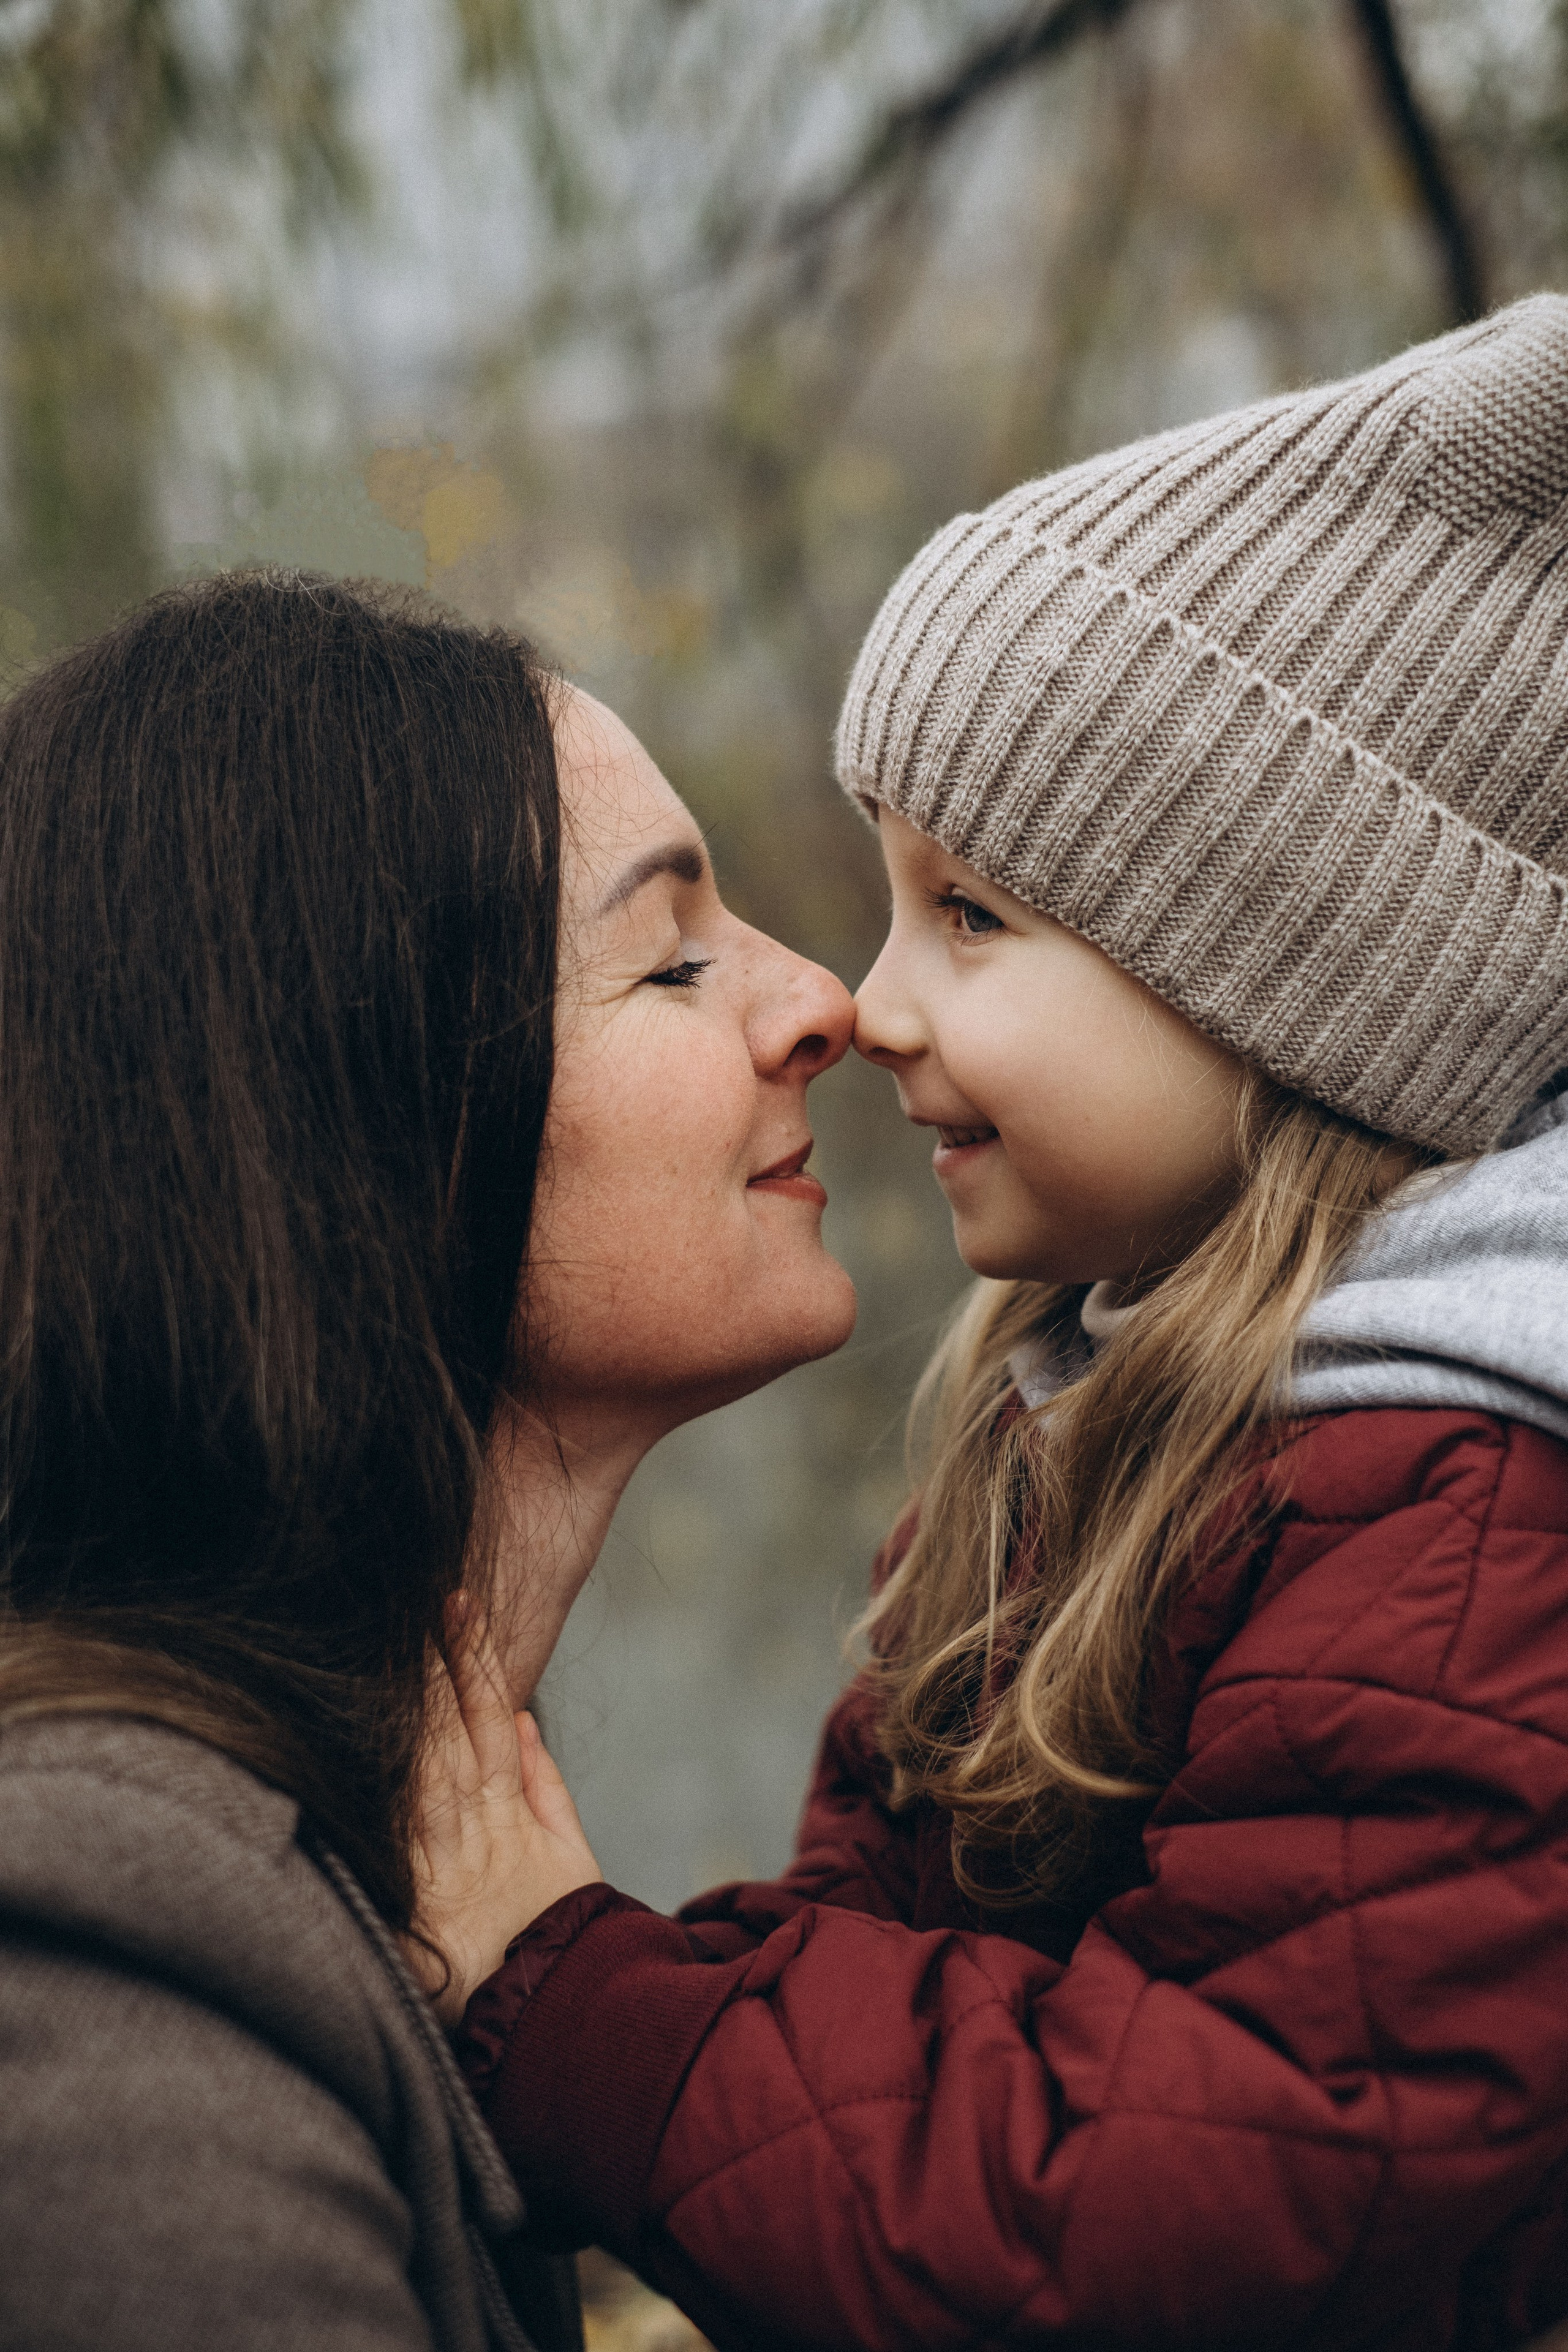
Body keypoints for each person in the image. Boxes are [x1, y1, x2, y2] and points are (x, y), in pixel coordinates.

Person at [420, 295, 1568, 2350]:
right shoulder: (1079, 1416)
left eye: (976, 915)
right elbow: (886, 1954)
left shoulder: (1470, 1532)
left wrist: (568, 1987)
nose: (873, 1005)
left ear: (1287, 980)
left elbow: (1174, 2210)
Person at [0, 571, 857, 2350]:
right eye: (677, 960)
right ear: (386, 1123)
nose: (821, 999)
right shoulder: (99, 1948)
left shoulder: (394, 1876)